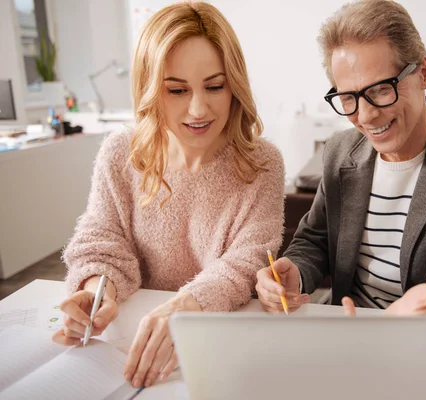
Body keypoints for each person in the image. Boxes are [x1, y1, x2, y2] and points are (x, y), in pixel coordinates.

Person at [256, 0, 426, 335]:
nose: (365, 116)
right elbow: (315, 240)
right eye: (348, 97)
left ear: (424, 72)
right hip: (348, 332)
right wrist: (296, 273)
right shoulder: (338, 152)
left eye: (380, 89)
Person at [52, 2, 285, 389]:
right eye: (176, 90)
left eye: (214, 86)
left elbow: (245, 262)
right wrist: (96, 290)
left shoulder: (262, 163)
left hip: (220, 344)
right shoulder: (121, 153)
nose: (198, 108)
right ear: (149, 90)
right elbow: (100, 239)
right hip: (127, 342)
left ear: (235, 85)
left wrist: (185, 306)